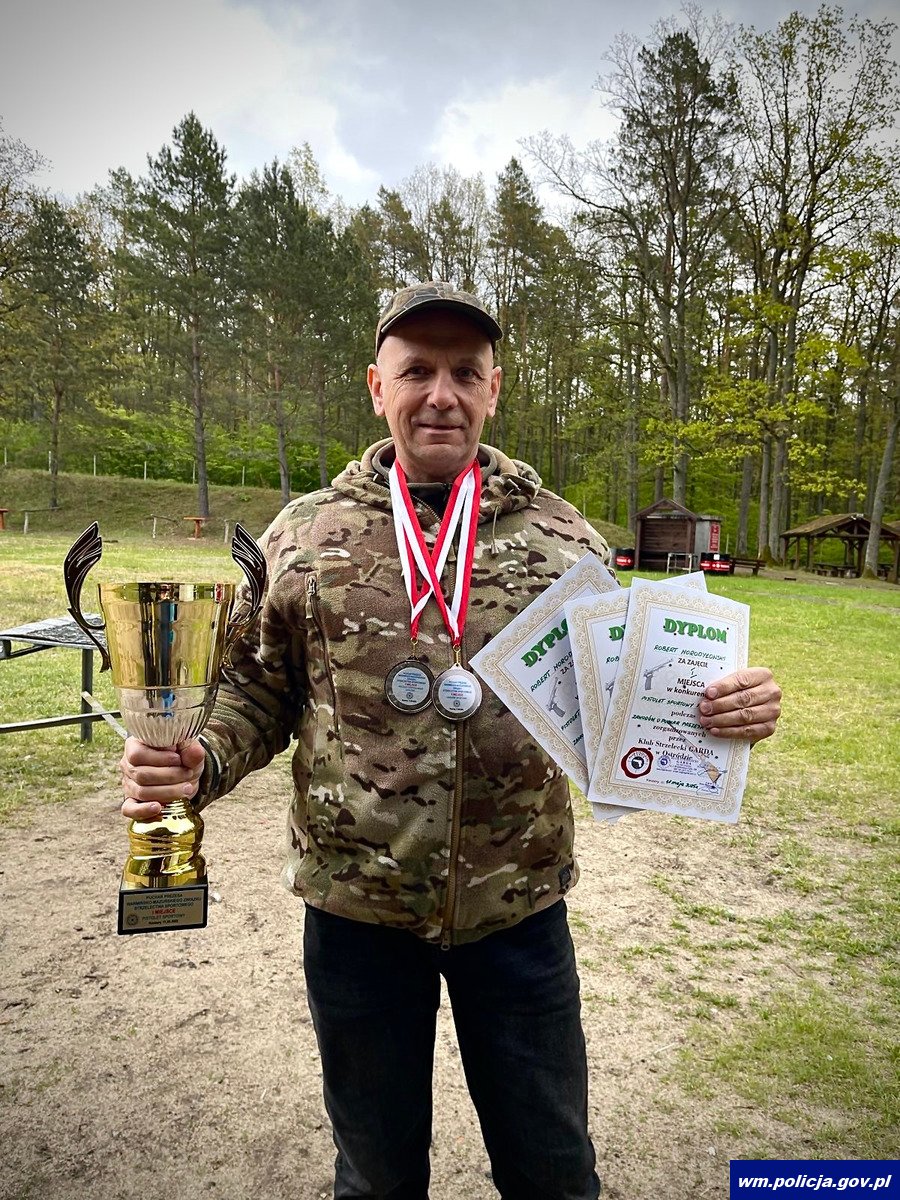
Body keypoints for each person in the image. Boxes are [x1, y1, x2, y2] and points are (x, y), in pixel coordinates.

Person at [120, 282, 783, 1200]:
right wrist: (203, 757)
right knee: (377, 1177)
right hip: (357, 916)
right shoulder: (305, 537)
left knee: (554, 1173)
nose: (442, 394)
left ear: (494, 390)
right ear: (376, 386)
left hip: (519, 916)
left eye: (465, 373)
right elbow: (255, 691)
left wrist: (721, 711)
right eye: (417, 371)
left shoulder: (565, 540)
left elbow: (627, 701)